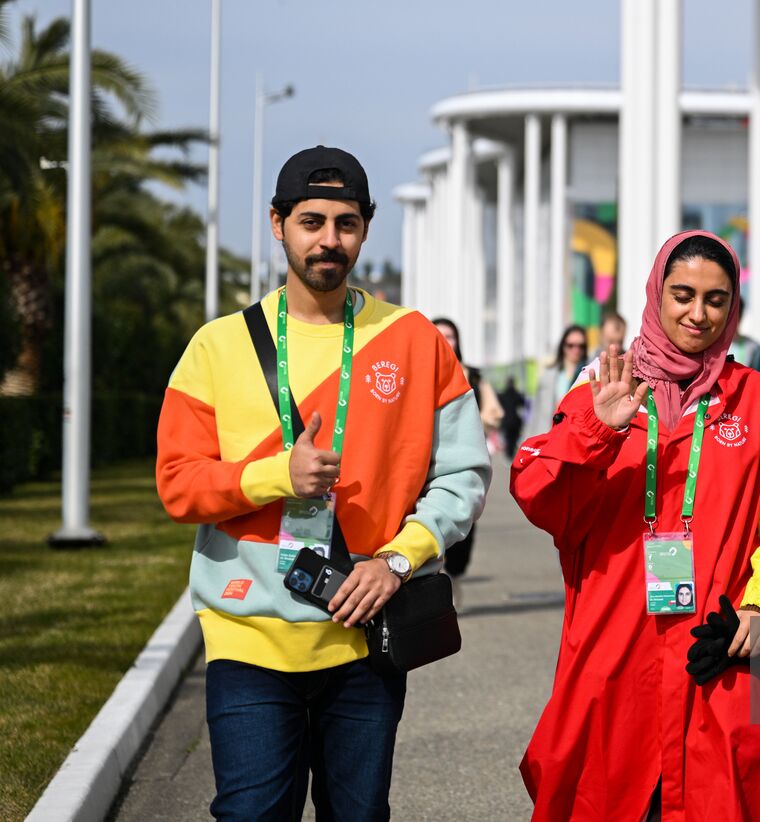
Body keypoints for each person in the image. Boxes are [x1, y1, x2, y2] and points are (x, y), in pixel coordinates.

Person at [155, 145, 491, 820]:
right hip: (247, 639)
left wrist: (400, 560)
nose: (328, 240)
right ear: (278, 224)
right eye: (311, 221)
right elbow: (177, 483)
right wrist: (280, 475)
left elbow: (465, 474)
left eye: (345, 222)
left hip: (366, 638)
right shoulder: (216, 346)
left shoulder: (415, 338)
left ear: (365, 228)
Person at [510, 230, 760, 821]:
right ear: (656, 293)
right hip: (612, 657)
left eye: (716, 299)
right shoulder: (604, 383)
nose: (698, 313)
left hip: (716, 657)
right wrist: (597, 432)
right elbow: (541, 497)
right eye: (682, 294)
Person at [433, 317, 504, 605]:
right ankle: (433, 584)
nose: (445, 341)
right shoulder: (415, 370)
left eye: (450, 335)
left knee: (462, 522)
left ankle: (454, 577)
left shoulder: (472, 375)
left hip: (464, 460)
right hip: (427, 460)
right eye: (439, 335)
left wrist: (472, 426)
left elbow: (494, 412)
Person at [524, 324, 589, 440]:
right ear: (563, 346)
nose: (576, 349)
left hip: (574, 439)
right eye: (571, 345)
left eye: (581, 346)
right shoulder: (548, 375)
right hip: (546, 436)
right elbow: (535, 413)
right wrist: (526, 441)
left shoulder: (589, 376)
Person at [497, 376, 527, 456]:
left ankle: (509, 454)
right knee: (514, 438)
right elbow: (523, 403)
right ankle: (511, 453)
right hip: (515, 421)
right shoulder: (517, 394)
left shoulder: (502, 395)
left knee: (508, 438)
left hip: (506, 421)